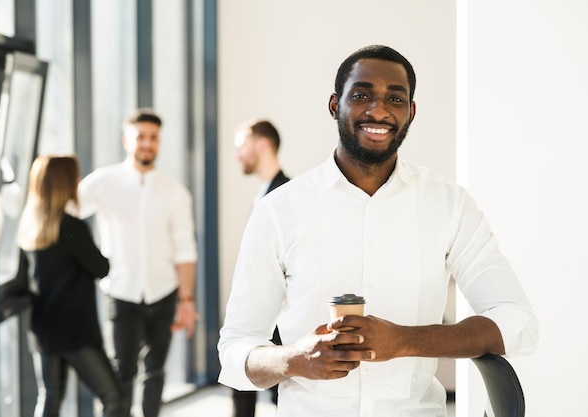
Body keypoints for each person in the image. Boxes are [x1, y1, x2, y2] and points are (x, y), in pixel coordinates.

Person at [217, 45, 539, 416]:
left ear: (411, 112)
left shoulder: (449, 204)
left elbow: (519, 323)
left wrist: (405, 340)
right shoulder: (278, 210)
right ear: (335, 105)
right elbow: (235, 350)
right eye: (361, 95)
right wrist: (295, 359)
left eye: (395, 98)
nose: (378, 109)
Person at [77, 108, 199, 417]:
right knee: (122, 370)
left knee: (155, 371)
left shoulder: (175, 193)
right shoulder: (104, 182)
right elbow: (67, 210)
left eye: (153, 137)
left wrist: (186, 300)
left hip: (163, 292)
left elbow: (185, 250)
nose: (147, 143)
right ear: (126, 140)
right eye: (140, 137)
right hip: (120, 292)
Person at [16, 155, 124, 417]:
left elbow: (23, 280)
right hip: (76, 331)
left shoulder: (31, 226)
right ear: (64, 183)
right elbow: (101, 268)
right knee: (114, 398)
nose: (77, 182)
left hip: (44, 329)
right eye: (74, 177)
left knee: (50, 396)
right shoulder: (72, 227)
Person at [231, 119, 290, 417]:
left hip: (278, 313)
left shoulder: (284, 196)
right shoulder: (269, 193)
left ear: (262, 145)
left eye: (242, 146)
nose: (238, 155)